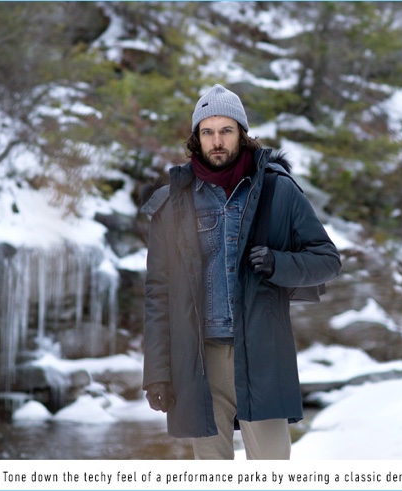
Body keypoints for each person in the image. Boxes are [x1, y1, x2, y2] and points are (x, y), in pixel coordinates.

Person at [141, 84, 341, 460]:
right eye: (208, 131)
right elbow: (158, 293)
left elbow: (327, 259)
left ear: (242, 134)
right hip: (199, 361)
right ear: (196, 138)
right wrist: (157, 371)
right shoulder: (174, 204)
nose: (217, 141)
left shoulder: (277, 190)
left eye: (226, 130)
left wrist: (279, 264)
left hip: (263, 353)